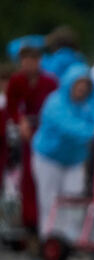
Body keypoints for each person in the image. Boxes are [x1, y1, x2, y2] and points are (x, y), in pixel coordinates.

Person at [31, 63, 94, 238]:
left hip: (75, 159)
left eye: (85, 85)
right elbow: (69, 128)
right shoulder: (54, 102)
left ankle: (71, 239)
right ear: (69, 83)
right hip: (49, 158)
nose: (81, 88)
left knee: (73, 198)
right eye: (78, 83)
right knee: (49, 200)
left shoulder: (90, 102)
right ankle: (49, 238)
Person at [5, 43, 57, 237]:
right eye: (25, 61)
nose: (29, 65)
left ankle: (46, 222)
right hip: (26, 132)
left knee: (43, 177)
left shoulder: (49, 82)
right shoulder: (17, 81)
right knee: (27, 176)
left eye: (33, 60)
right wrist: (20, 122)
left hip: (45, 130)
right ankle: (29, 222)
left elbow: (55, 106)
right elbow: (12, 107)